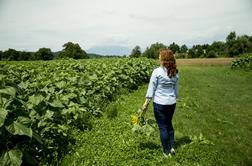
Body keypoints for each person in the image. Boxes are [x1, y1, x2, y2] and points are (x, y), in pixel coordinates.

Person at [142, 48, 179, 158]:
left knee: (162, 127)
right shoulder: (175, 72)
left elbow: (151, 89)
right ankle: (172, 147)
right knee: (169, 124)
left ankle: (166, 152)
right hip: (172, 103)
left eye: (160, 56)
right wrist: (173, 97)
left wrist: (146, 103)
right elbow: (176, 90)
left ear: (164, 59)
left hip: (160, 104)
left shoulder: (157, 71)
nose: (158, 57)